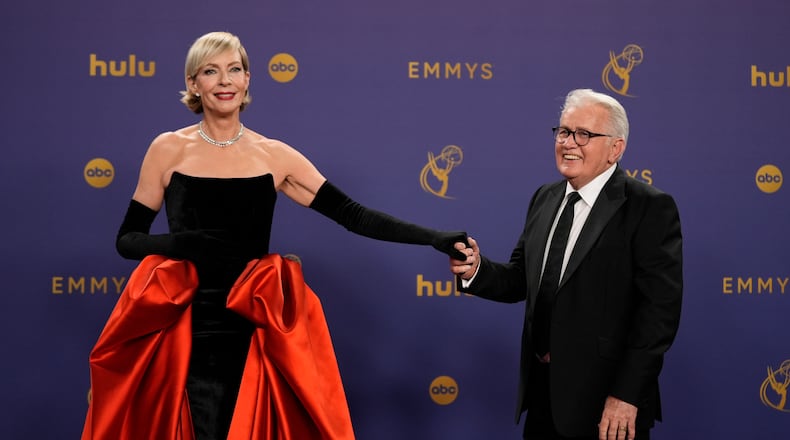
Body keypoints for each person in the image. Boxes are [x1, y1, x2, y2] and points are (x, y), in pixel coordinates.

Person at [81, 31, 466, 440]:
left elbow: (353, 215)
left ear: (247, 79)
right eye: (211, 71)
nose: (225, 81)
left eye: (234, 70)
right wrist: (180, 245)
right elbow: (128, 239)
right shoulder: (167, 149)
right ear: (193, 83)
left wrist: (433, 236)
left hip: (254, 325)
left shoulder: (274, 155)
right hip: (184, 327)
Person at [450, 89, 682, 440]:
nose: (568, 143)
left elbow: (658, 315)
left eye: (583, 134)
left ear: (615, 148)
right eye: (563, 132)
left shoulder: (648, 207)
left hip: (606, 406)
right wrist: (476, 271)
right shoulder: (545, 197)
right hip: (543, 396)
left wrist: (626, 395)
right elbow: (521, 279)